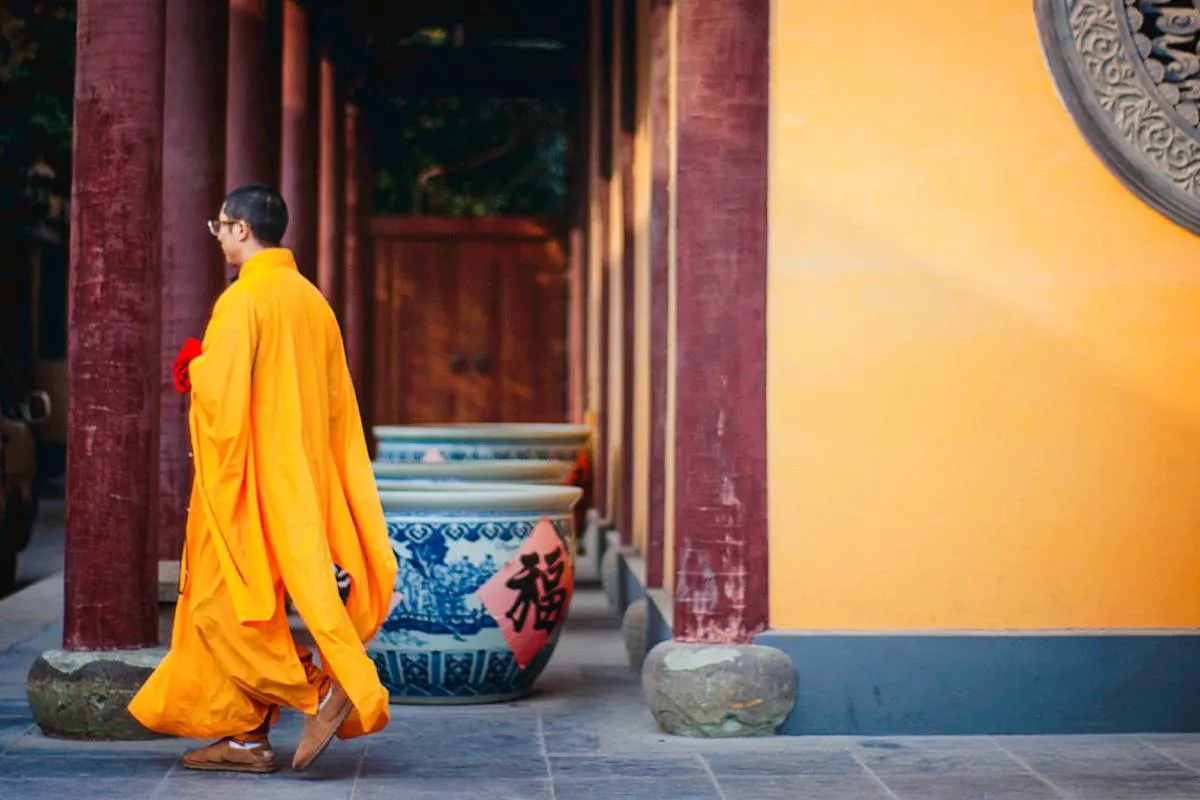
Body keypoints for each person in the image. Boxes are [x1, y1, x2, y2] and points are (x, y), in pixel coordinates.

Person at [128, 183, 398, 774]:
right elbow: (334, 402)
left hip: (249, 481)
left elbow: (222, 398)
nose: (218, 235)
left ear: (241, 229)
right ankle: (245, 739)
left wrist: (194, 366)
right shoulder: (311, 300)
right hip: (299, 479)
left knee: (220, 609)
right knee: (245, 604)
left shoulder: (244, 300)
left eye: (219, 226)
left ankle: (317, 690)